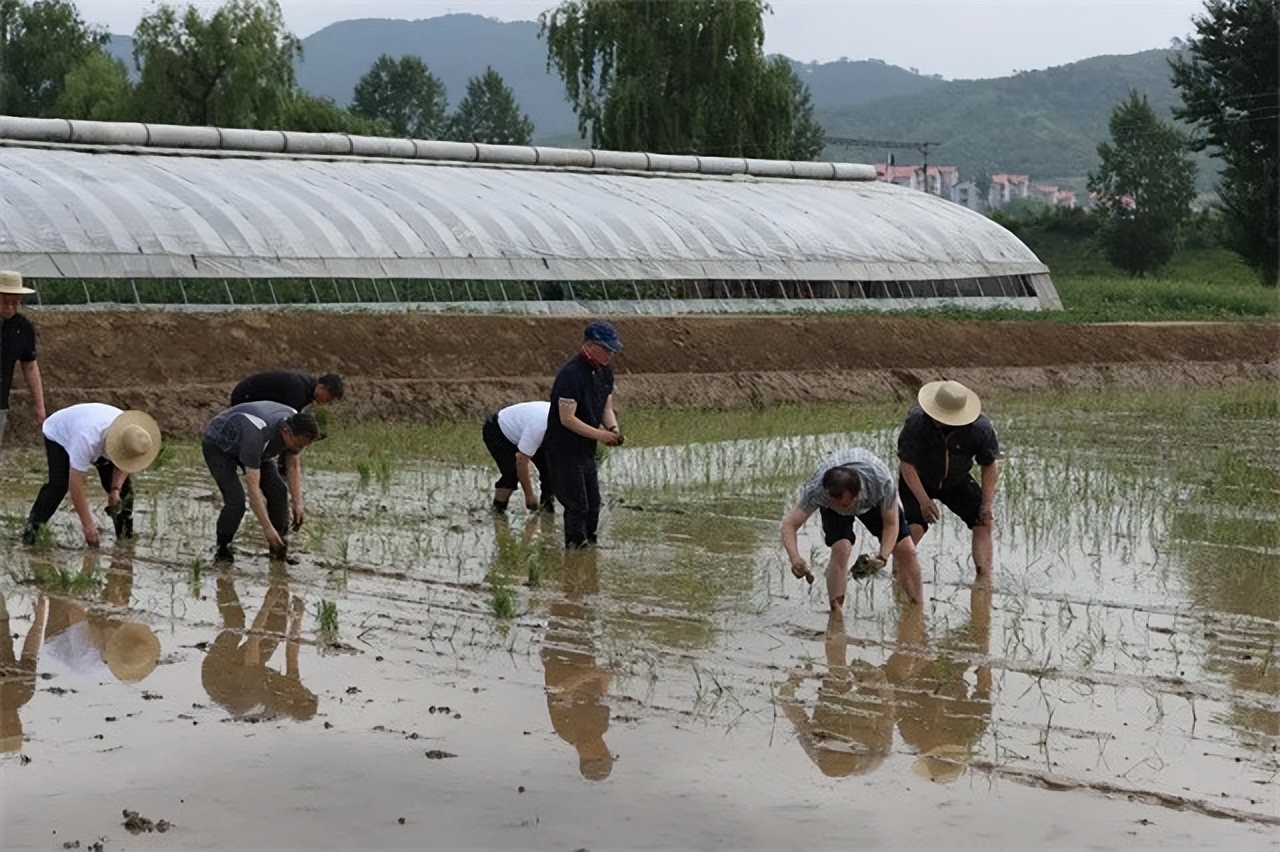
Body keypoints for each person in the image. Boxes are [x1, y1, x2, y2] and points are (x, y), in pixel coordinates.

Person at [781, 446, 924, 608]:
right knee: (841, 549)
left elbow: (891, 523)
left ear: (857, 494)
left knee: (907, 550)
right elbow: (789, 525)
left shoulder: (881, 482)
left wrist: (882, 557)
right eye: (834, 502)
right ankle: (836, 614)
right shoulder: (818, 491)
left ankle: (917, 609)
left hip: (872, 500)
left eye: (844, 504)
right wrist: (795, 559)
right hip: (834, 500)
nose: (843, 509)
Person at [897, 380, 1001, 580]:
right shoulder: (917, 421)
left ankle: (984, 578)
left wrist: (987, 505)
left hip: (956, 481)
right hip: (918, 478)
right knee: (915, 527)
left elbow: (989, 464)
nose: (937, 420)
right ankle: (898, 574)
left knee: (982, 521)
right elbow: (906, 464)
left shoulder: (979, 428)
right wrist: (924, 501)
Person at [22, 404, 162, 547]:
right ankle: (31, 534)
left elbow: (128, 462)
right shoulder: (86, 439)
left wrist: (115, 489)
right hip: (59, 433)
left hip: (100, 434)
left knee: (125, 493)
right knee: (58, 485)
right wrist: (88, 524)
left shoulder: (134, 434)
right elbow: (75, 483)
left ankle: (124, 540)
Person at [201, 401, 320, 562]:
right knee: (236, 501)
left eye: (304, 446)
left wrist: (298, 504)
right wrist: (267, 529)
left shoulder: (295, 419)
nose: (299, 449)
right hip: (219, 445)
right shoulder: (257, 435)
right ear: (286, 431)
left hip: (257, 449)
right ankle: (222, 547)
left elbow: (293, 465)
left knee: (278, 490)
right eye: (298, 444)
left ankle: (279, 546)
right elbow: (253, 489)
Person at [544, 320, 624, 548]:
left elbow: (606, 407)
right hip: (563, 451)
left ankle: (589, 549)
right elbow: (567, 418)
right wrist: (600, 435)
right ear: (589, 346)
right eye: (606, 349)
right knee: (577, 505)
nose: (610, 354)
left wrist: (613, 430)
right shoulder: (570, 375)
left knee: (593, 504)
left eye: (612, 349)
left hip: (586, 450)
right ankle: (574, 549)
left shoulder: (605, 372)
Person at [0, 270, 46, 454]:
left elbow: (30, 366)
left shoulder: (23, 328)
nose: (10, 307)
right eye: (4, 302)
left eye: (15, 302)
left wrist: (39, 405)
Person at [483, 400, 555, 512]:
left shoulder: (564, 425)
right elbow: (521, 461)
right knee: (511, 473)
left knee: (550, 470)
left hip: (525, 426)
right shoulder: (539, 427)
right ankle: (498, 511)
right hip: (499, 429)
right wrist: (529, 496)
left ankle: (546, 508)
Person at [229, 370, 344, 411]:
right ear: (323, 387)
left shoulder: (307, 390)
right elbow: (287, 423)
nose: (327, 402)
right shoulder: (298, 390)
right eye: (329, 398)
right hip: (245, 397)